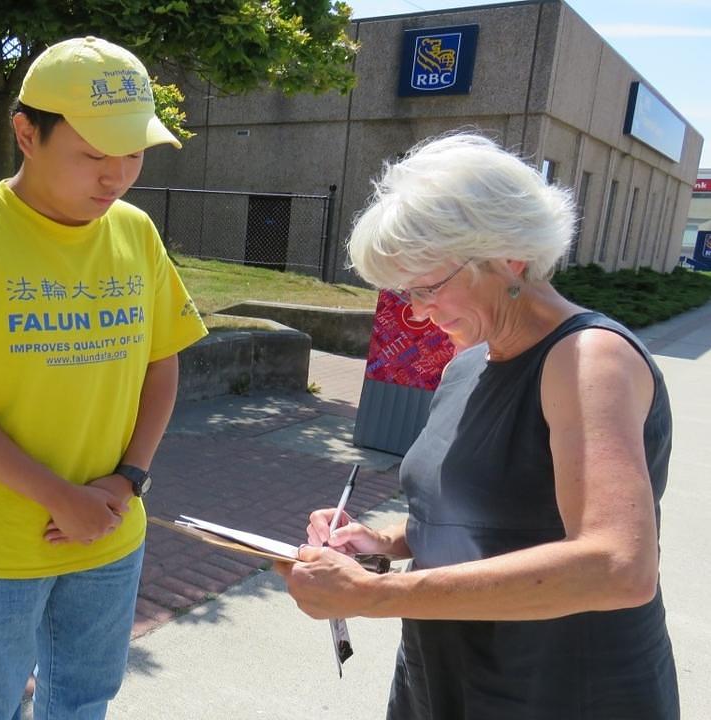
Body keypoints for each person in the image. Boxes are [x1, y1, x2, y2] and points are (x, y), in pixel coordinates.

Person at [277, 133, 679, 719]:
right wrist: (382, 542)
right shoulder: (467, 364)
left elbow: (618, 566)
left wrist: (376, 595)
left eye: (429, 286)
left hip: (560, 690)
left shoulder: (589, 358)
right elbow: (482, 514)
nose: (418, 312)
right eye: (406, 291)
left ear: (509, 254)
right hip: (444, 675)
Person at [0, 36, 206, 719]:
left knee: (84, 699)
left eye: (133, 154)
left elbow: (160, 361)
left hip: (111, 528)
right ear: (27, 133)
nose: (117, 176)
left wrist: (127, 480)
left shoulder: (135, 232)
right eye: (93, 155)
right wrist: (60, 497)